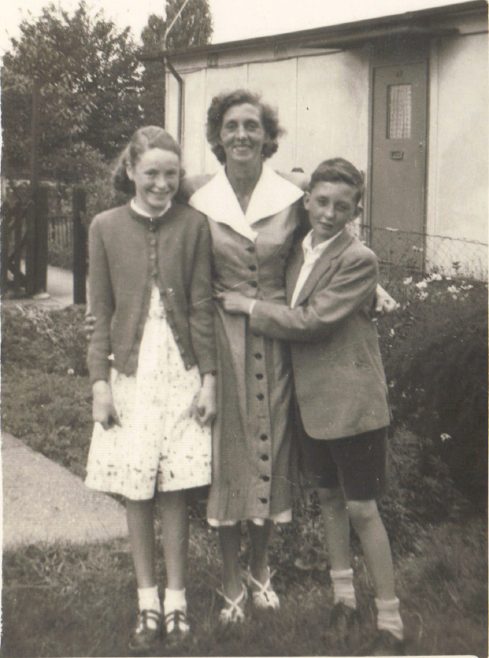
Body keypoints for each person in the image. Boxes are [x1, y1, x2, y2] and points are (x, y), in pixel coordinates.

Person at [219, 158, 405, 655]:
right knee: (328, 502)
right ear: (307, 203)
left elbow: (313, 321)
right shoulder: (300, 248)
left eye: (341, 206)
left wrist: (249, 309)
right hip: (311, 403)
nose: (328, 212)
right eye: (320, 202)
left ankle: (391, 621)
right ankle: (344, 600)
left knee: (363, 508)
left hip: (354, 405)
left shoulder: (360, 258)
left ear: (356, 211)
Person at [85, 126, 217, 654]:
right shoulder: (105, 226)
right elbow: (100, 312)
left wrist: (208, 379)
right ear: (132, 171)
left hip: (181, 370)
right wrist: (99, 382)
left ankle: (178, 600)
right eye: (152, 173)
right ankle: (147, 600)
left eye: (171, 173)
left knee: (175, 488)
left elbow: (204, 307)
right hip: (132, 371)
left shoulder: (194, 225)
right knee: (137, 487)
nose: (162, 183)